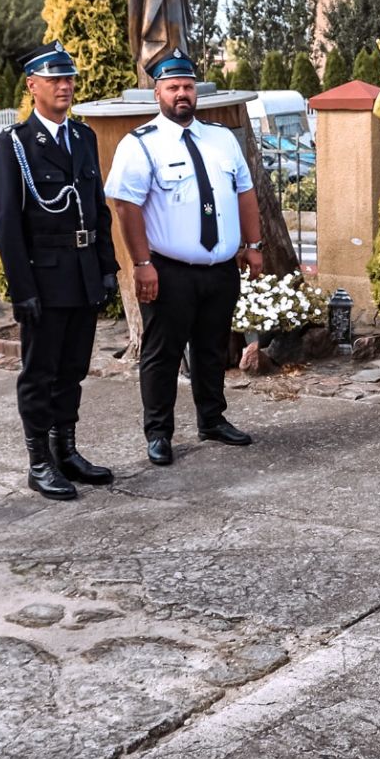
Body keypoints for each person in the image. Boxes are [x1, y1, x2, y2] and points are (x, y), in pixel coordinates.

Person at [105, 50, 262, 466]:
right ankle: (159, 433)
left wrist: (254, 244)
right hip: (168, 271)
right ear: (156, 93)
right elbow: (126, 207)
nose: (182, 94)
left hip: (220, 269)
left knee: (213, 347)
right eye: (173, 87)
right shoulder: (141, 144)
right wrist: (142, 264)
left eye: (188, 86)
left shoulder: (221, 139)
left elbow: (245, 193)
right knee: (162, 354)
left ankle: (212, 419)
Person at [0, 42, 117, 499]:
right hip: (43, 278)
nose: (65, 86)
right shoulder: (14, 144)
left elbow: (98, 208)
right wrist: (22, 290)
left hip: (82, 274)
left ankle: (66, 451)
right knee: (39, 373)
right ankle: (39, 462)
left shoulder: (82, 137)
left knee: (73, 369)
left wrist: (107, 267)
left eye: (69, 79)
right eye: (55, 79)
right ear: (32, 86)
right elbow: (6, 222)